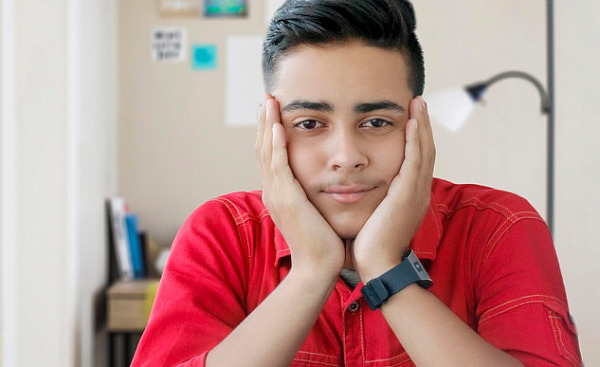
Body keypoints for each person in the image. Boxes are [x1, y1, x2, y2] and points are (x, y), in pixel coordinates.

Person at [131, 0, 582, 366]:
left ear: (417, 125)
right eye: (309, 122)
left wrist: (386, 268)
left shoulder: (498, 227)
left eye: (377, 121)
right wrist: (311, 273)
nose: (346, 157)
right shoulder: (221, 233)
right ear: (270, 130)